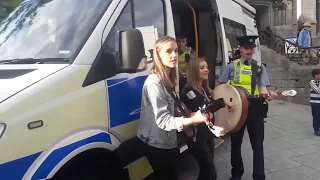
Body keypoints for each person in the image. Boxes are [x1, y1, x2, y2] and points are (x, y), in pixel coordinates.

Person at [137, 36, 209, 180]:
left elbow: (173, 111)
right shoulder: (155, 83)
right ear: (158, 55)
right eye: (169, 51)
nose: (174, 55)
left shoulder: (168, 79)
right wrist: (193, 119)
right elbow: (163, 120)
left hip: (168, 142)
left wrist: (193, 115)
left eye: (176, 51)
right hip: (157, 145)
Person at [216, 35, 278, 180]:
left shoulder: (260, 67)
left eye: (252, 48)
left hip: (256, 110)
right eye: (246, 48)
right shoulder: (232, 67)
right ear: (241, 49)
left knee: (258, 145)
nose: (250, 50)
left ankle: (259, 176)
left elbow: (263, 89)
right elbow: (219, 87)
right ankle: (236, 174)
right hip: (237, 110)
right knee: (235, 145)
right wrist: (226, 102)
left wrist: (269, 96)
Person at [180, 57, 234, 180]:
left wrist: (224, 102)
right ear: (194, 71)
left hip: (207, 134)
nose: (206, 70)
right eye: (202, 67)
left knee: (206, 172)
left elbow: (210, 107)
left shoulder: (204, 88)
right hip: (197, 137)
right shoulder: (189, 90)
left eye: (207, 67)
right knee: (211, 174)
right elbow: (201, 112)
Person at [309, 68, 320, 136]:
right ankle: (316, 129)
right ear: (315, 75)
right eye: (319, 74)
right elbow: (318, 91)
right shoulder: (311, 82)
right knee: (316, 116)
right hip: (314, 102)